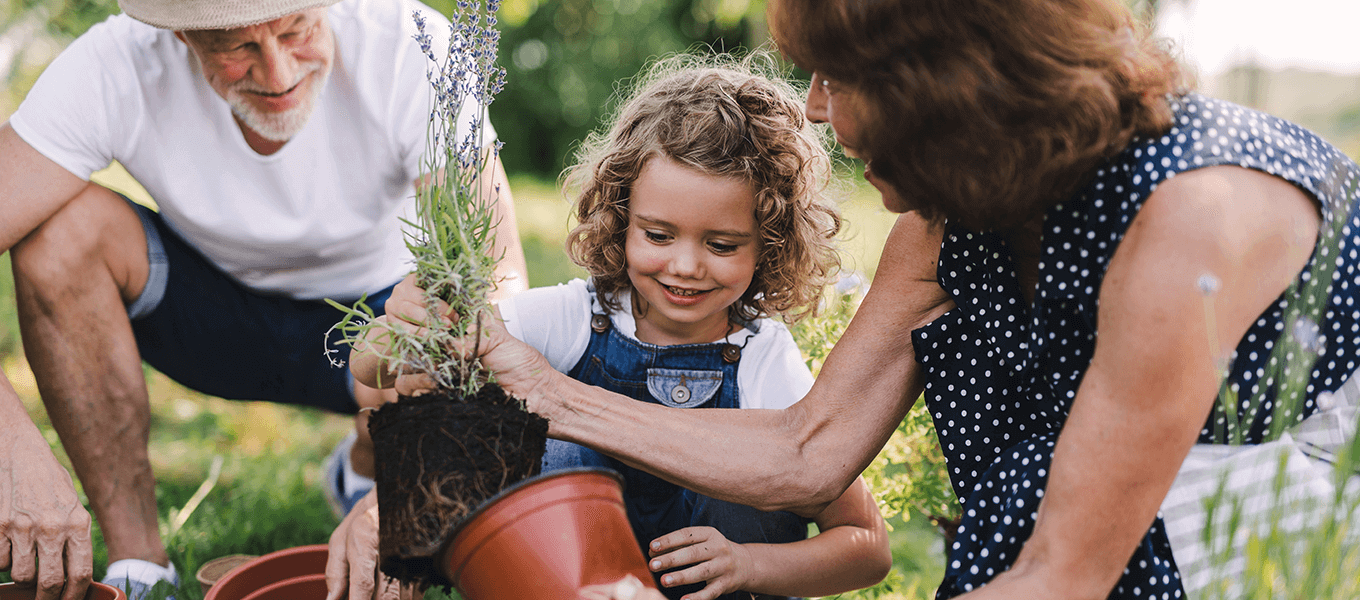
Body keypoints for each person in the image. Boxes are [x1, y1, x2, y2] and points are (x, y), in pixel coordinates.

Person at [334, 0, 1360, 599]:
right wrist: (432, 440)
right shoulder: (961, 206)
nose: (815, 111)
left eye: (832, 77)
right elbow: (805, 452)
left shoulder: (1187, 222)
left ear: (941, 87)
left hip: (1268, 514)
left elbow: (1060, 576)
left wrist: (548, 397)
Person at [0, 0, 526, 597]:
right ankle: (140, 565)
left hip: (377, 329)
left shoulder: (411, 46)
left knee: (455, 320)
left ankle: (368, 458)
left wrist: (407, 485)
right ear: (181, 36)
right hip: (212, 319)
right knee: (56, 236)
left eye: (297, 30)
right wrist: (11, 447)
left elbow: (499, 287)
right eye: (236, 47)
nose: (278, 74)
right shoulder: (113, 63)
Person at [330, 57, 892, 600]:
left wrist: (751, 564)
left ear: (769, 243)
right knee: (554, 453)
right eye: (658, 235)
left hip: (714, 592)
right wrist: (405, 326)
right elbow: (377, 366)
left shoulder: (761, 356)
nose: (686, 266)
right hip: (569, 581)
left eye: (721, 245)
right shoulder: (572, 317)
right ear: (621, 221)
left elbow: (867, 546)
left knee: (754, 488)